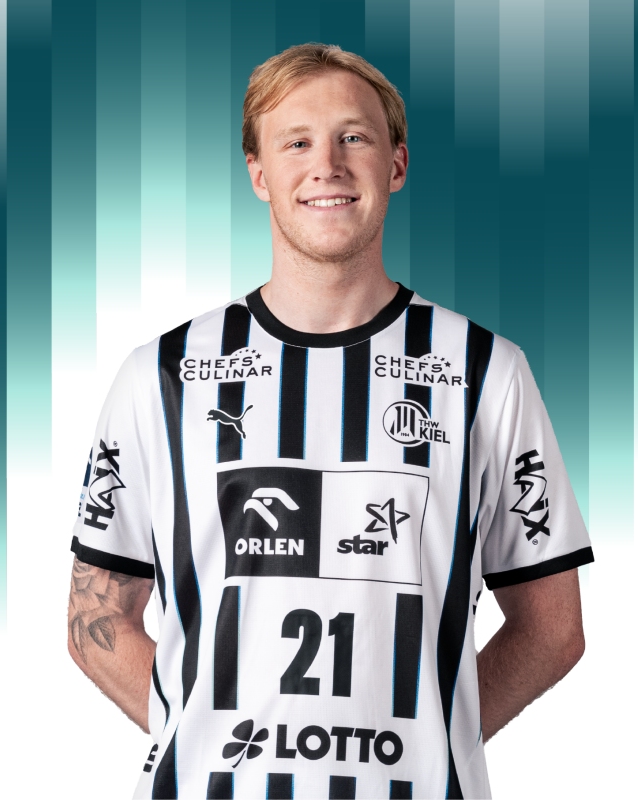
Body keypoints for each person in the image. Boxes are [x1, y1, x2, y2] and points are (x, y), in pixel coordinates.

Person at [68, 43, 593, 800]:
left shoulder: (484, 372)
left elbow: (552, 629)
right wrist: (202, 736)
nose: (328, 166)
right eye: (297, 142)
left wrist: (431, 741)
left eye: (354, 137)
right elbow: (95, 619)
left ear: (396, 164)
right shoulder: (163, 375)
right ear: (258, 174)